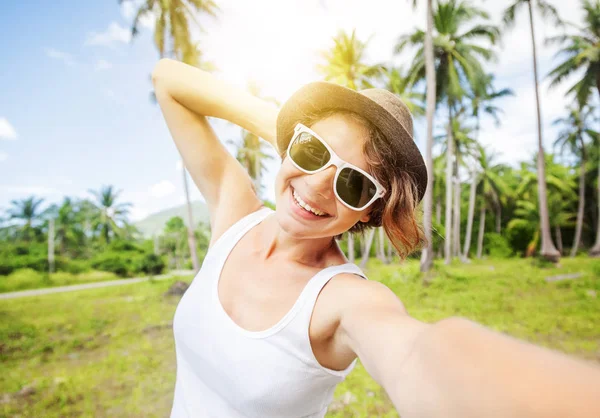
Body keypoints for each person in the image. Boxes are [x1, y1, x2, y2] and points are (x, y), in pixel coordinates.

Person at [151, 58, 600, 418]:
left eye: (354, 183)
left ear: (370, 210)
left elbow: (415, 355)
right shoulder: (236, 215)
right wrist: (292, 133)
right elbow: (167, 79)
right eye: (312, 152)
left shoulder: (342, 300)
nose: (319, 185)